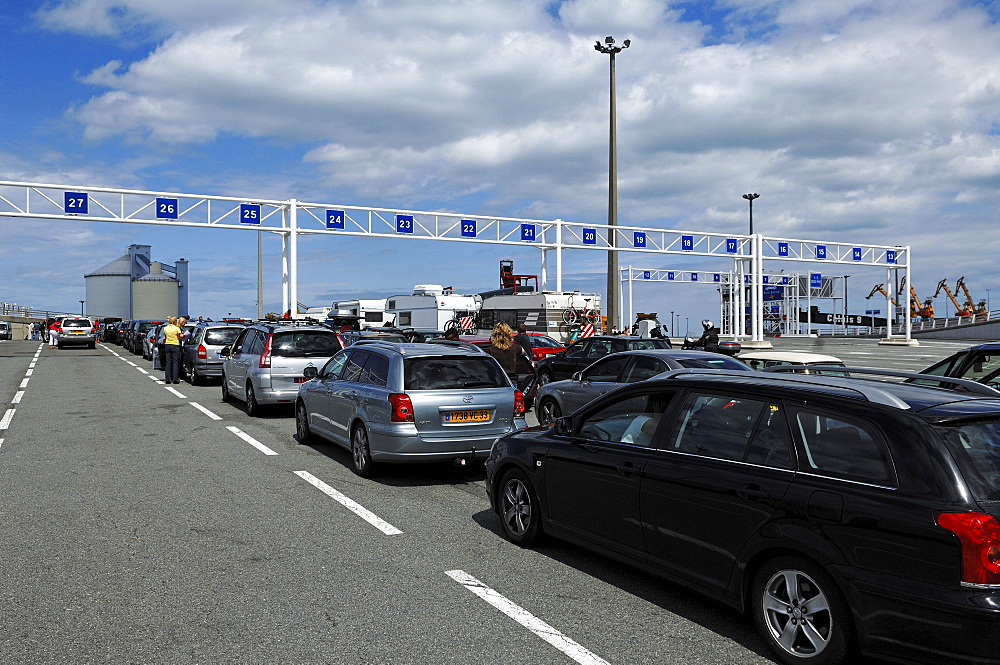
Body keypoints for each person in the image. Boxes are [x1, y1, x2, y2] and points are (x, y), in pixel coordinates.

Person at [161, 316, 183, 383]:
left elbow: (165, 337)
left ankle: (167, 379)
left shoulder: (165, 328)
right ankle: (175, 379)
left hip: (167, 345)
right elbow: (179, 338)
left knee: (168, 362)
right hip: (175, 345)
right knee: (175, 362)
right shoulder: (177, 329)